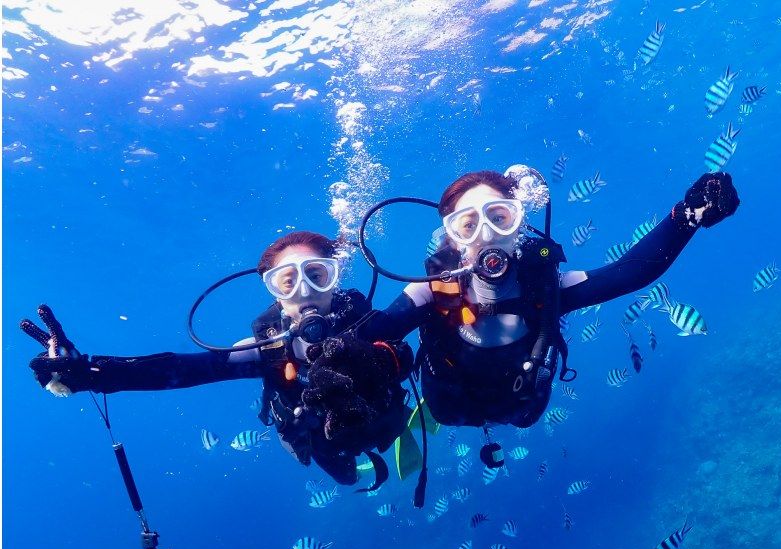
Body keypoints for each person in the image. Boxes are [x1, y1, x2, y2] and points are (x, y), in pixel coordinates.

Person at [307, 169, 740, 431]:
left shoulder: (546, 285)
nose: (487, 234)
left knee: (526, 416)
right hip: (449, 404)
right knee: (446, 411)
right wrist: (337, 356)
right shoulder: (431, 291)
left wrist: (688, 215)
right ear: (452, 239)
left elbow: (634, 270)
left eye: (499, 217)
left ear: (519, 223)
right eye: (467, 225)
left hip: (523, 403)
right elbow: (369, 337)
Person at [21, 231, 412, 486]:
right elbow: (186, 369)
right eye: (287, 281)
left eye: (317, 274)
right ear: (274, 293)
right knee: (343, 475)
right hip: (317, 437)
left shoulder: (368, 325)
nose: (305, 290)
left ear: (335, 278)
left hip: (382, 417)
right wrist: (92, 372)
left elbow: (428, 306)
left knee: (383, 431)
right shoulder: (268, 348)